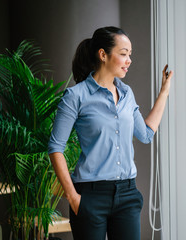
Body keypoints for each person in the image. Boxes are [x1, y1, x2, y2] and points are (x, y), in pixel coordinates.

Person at [48, 26, 173, 240]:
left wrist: (164, 92)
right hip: (90, 196)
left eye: (130, 55)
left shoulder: (126, 94)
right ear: (103, 55)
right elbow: (55, 148)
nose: (129, 60)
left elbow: (145, 134)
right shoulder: (75, 96)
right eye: (123, 54)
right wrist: (73, 198)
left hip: (127, 194)